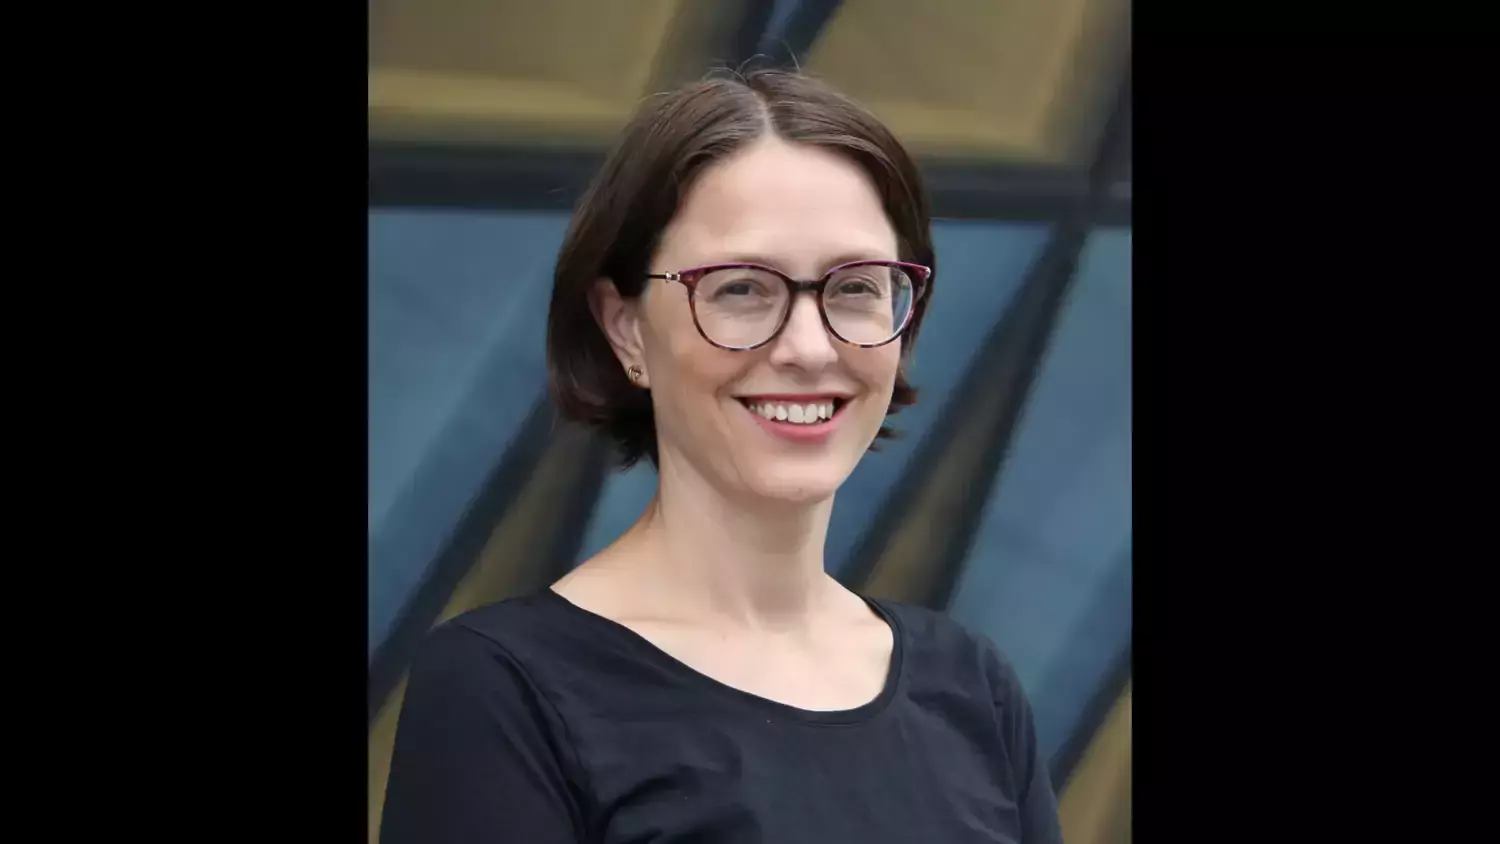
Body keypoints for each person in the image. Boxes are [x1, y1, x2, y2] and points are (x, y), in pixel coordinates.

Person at [379, 69, 1063, 844]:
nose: (809, 348)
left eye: (857, 287)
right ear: (625, 327)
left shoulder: (972, 687)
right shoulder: (506, 690)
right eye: (741, 289)